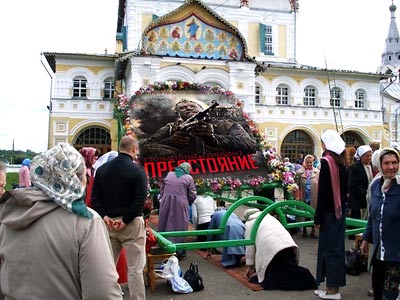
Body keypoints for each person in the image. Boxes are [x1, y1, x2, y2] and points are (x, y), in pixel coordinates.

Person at [0, 142, 122, 300]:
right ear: (74, 180)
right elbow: (102, 293)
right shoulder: (86, 221)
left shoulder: (9, 215)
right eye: (84, 177)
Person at [91, 136, 148, 300]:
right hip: (131, 226)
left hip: (108, 224)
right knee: (135, 269)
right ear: (134, 149)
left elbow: (96, 198)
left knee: (107, 268)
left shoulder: (102, 170)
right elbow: (139, 202)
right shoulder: (138, 171)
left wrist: (105, 216)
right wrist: (125, 220)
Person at [139, 99, 258, 156]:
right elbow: (143, 146)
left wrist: (214, 139)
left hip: (219, 171)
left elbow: (250, 145)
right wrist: (170, 141)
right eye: (183, 107)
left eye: (192, 106)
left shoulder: (225, 124)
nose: (188, 108)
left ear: (202, 109)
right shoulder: (171, 128)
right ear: (177, 114)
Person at [361, 148, 400, 300]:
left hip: (396, 255)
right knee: (377, 292)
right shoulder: (375, 186)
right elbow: (372, 216)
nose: (391, 167)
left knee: (389, 296)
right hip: (378, 254)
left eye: (395, 163)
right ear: (380, 165)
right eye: (387, 163)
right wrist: (365, 239)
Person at [243, 209, 316, 290]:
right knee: (288, 268)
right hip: (287, 244)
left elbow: (249, 246)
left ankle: (305, 279)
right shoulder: (269, 217)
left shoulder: (249, 224)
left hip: (271, 248)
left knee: (278, 274)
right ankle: (306, 278)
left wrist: (249, 265)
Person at [313, 129, 348, 300]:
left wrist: (317, 218)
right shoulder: (341, 162)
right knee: (332, 249)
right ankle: (329, 286)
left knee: (330, 251)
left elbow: (324, 194)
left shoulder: (326, 162)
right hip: (339, 213)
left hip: (329, 214)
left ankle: (334, 290)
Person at [93, 150, 128, 285]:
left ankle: (109, 287)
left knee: (109, 256)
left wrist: (103, 215)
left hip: (105, 220)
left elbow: (93, 199)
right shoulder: (125, 175)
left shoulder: (100, 175)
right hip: (120, 221)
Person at [157, 162, 197, 258]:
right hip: (180, 202)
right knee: (179, 224)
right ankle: (178, 249)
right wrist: (187, 202)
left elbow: (162, 189)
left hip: (166, 201)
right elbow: (192, 194)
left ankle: (164, 246)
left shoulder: (170, 174)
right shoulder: (189, 178)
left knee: (165, 222)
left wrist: (163, 198)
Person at [295, 154, 320, 238]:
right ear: (304, 162)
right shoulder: (299, 172)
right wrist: (297, 195)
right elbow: (295, 186)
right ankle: (304, 230)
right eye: (307, 162)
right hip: (304, 196)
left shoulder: (317, 172)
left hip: (314, 196)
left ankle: (313, 231)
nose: (309, 164)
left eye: (311, 162)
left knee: (314, 213)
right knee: (304, 213)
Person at [348, 145, 373, 221]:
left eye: (370, 156)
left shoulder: (371, 166)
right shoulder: (354, 168)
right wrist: (366, 193)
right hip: (358, 201)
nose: (369, 158)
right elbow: (353, 185)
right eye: (367, 156)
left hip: (369, 199)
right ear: (361, 156)